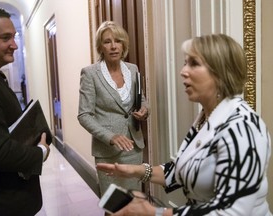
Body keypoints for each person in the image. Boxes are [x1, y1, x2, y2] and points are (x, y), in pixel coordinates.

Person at [96, 34, 272, 216]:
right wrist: (137, 171)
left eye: (194, 63)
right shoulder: (206, 117)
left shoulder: (243, 128)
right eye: (185, 62)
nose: (183, 71)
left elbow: (231, 212)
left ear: (221, 72)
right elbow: (183, 169)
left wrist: (156, 213)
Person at [0, 4, 50, 216]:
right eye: (5, 38)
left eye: (14, 37)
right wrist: (40, 152)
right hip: (2, 200)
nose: (14, 45)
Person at [77, 21, 149, 197]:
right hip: (108, 151)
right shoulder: (90, 73)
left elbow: (141, 99)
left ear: (124, 44)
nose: (113, 46)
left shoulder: (132, 69)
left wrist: (145, 110)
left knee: (134, 200)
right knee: (114, 204)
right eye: (107, 41)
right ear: (100, 46)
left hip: (134, 148)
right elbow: (84, 115)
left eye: (118, 40)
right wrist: (110, 137)